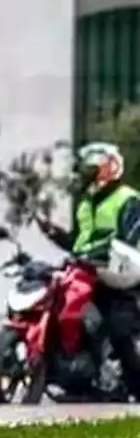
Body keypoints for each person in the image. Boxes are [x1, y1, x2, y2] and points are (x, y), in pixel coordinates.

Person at [35, 141, 140, 399]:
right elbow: (79, 243)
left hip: (119, 274)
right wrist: (54, 234)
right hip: (86, 271)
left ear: (113, 167)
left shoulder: (128, 198)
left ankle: (136, 386)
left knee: (119, 327)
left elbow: (129, 237)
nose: (91, 171)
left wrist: (100, 252)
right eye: (89, 166)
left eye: (97, 166)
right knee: (62, 308)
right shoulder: (85, 204)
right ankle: (72, 373)